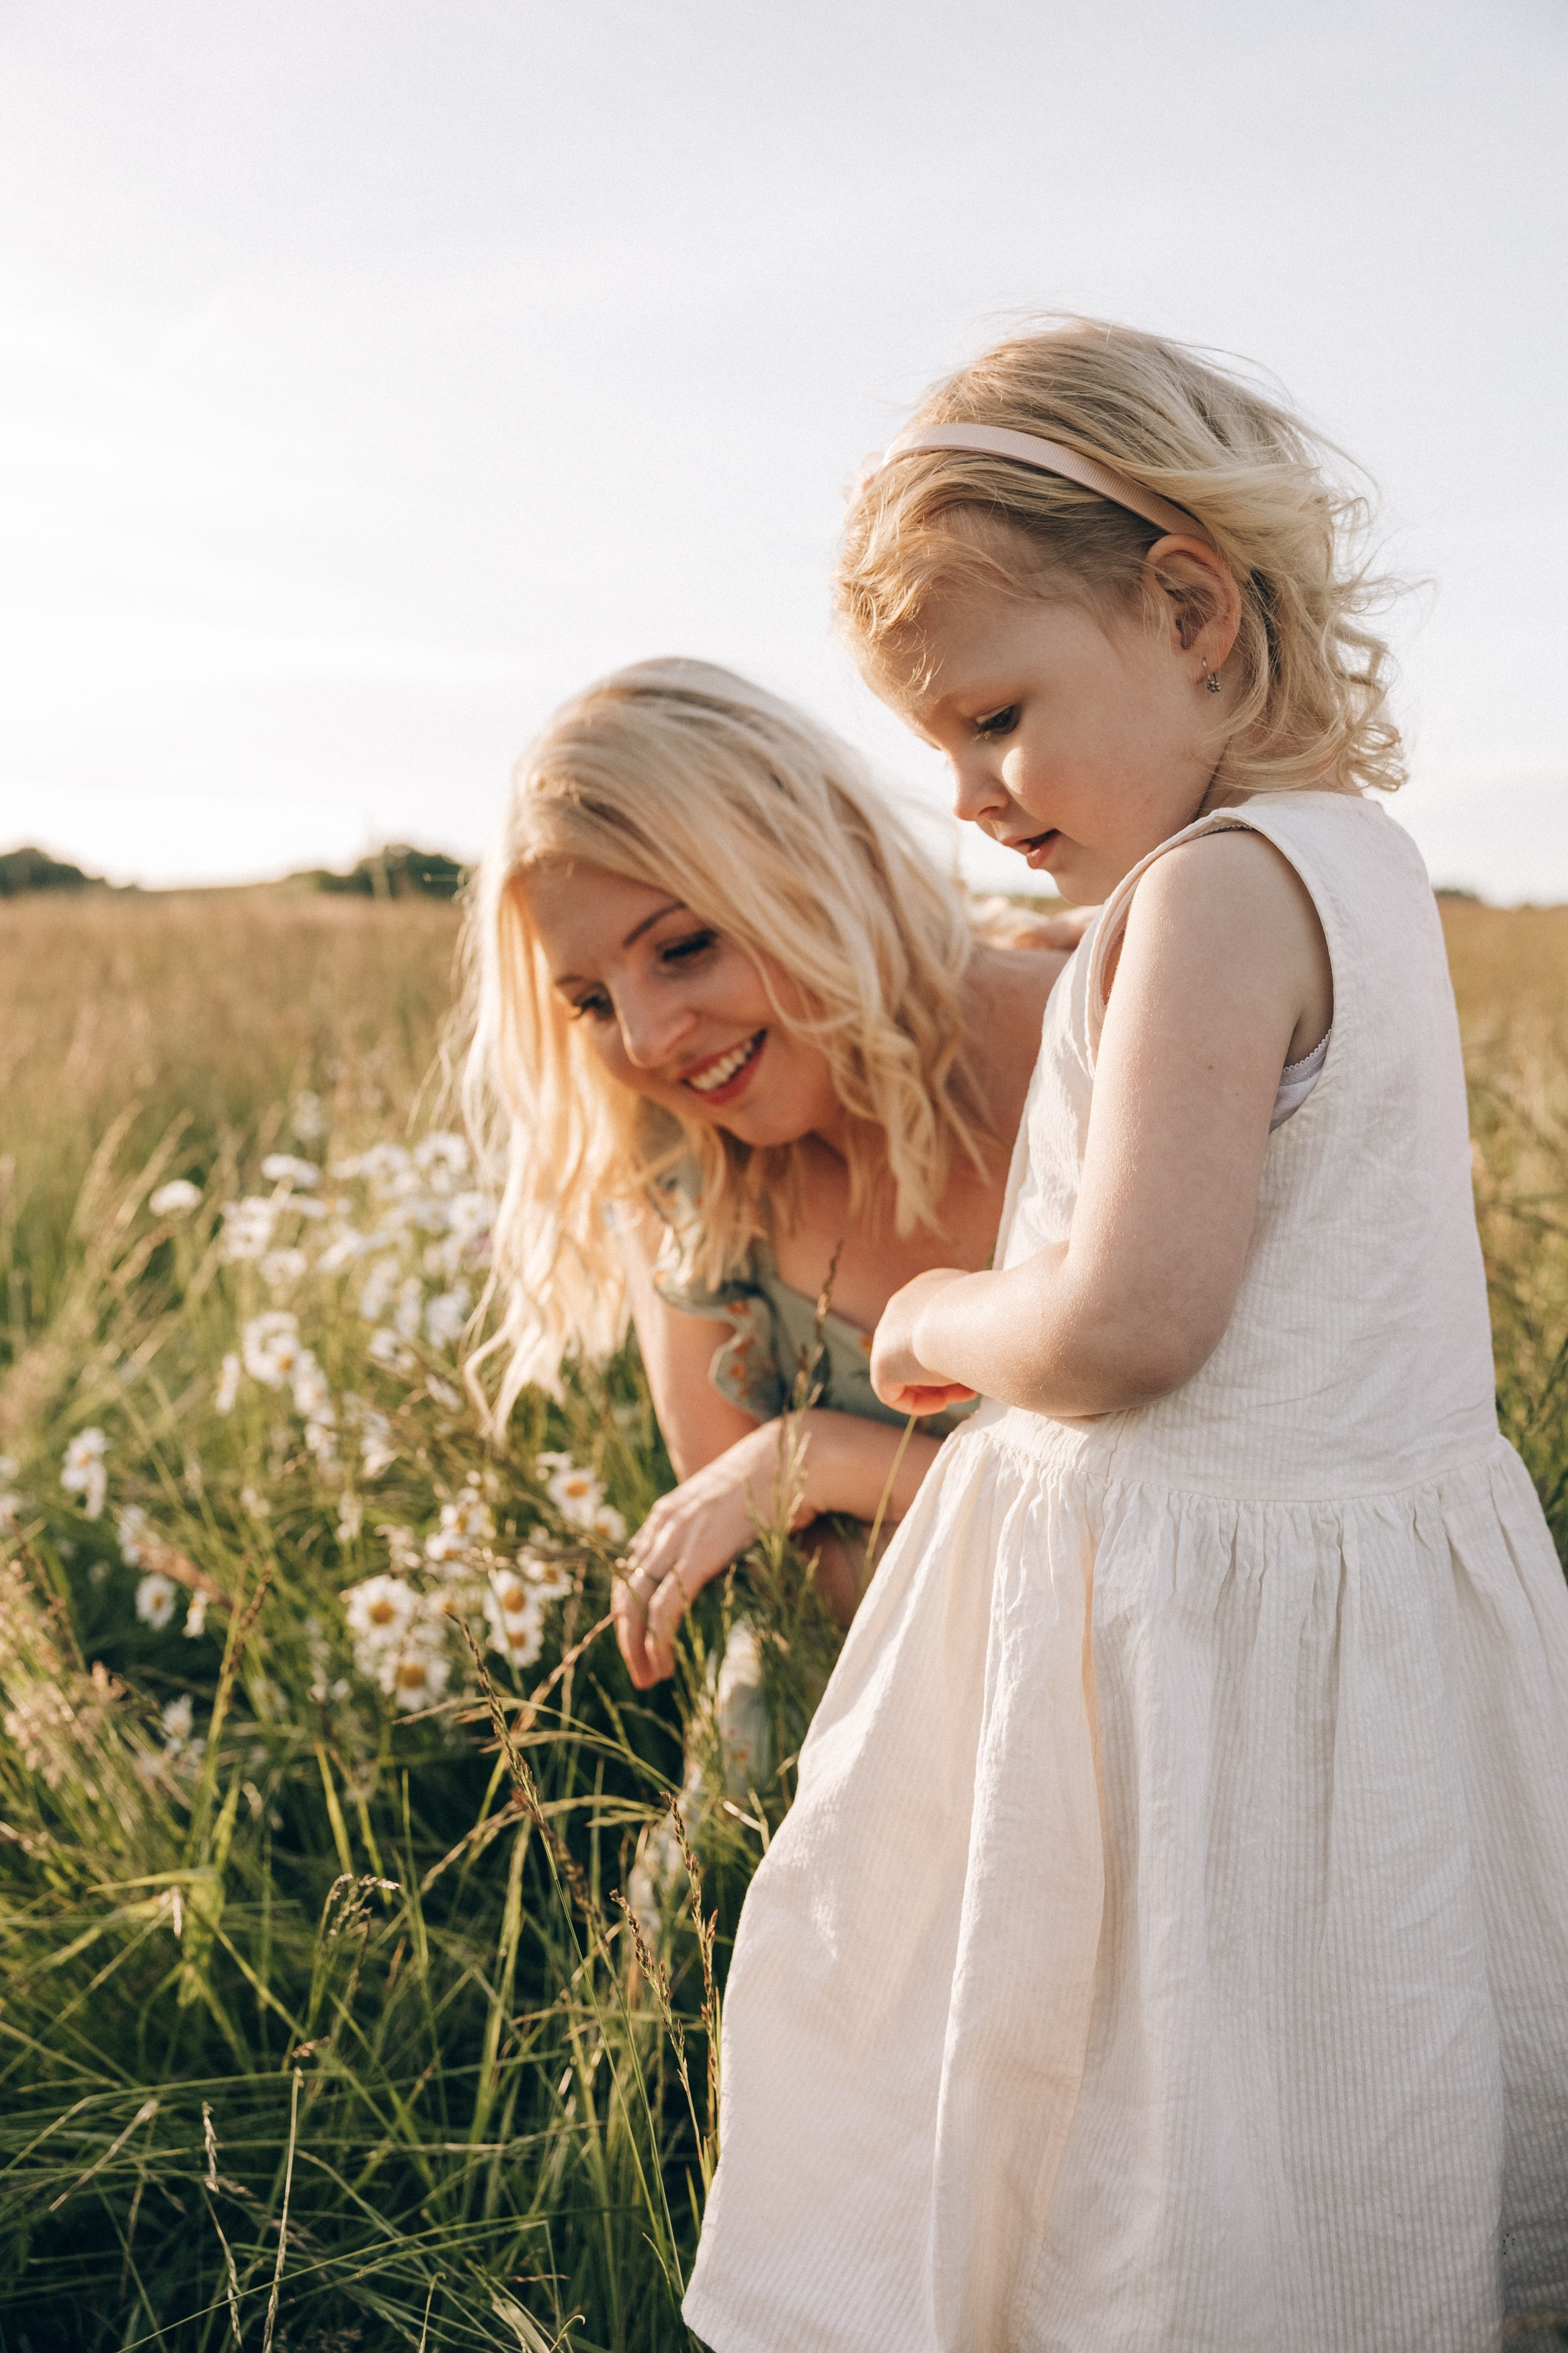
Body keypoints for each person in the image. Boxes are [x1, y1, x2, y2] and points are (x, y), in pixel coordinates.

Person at [683, 319, 1568, 2353]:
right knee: (1337, 2073)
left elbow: (1134, 1321)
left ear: (1185, 603)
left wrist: (938, 1311)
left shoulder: (1205, 904)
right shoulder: (1344, 865)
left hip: (1206, 1631)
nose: (974, 794)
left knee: (1158, 2112)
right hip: (1348, 1609)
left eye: (993, 716)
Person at [460, 660, 1084, 1691]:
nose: (649, 1041)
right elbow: (785, 1580)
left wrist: (823, 1459)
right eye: (591, 1004)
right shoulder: (682, 1181)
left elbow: (1206, 1511)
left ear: (812, 869)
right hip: (845, 1726)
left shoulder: (1092, 1048)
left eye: (684, 948)